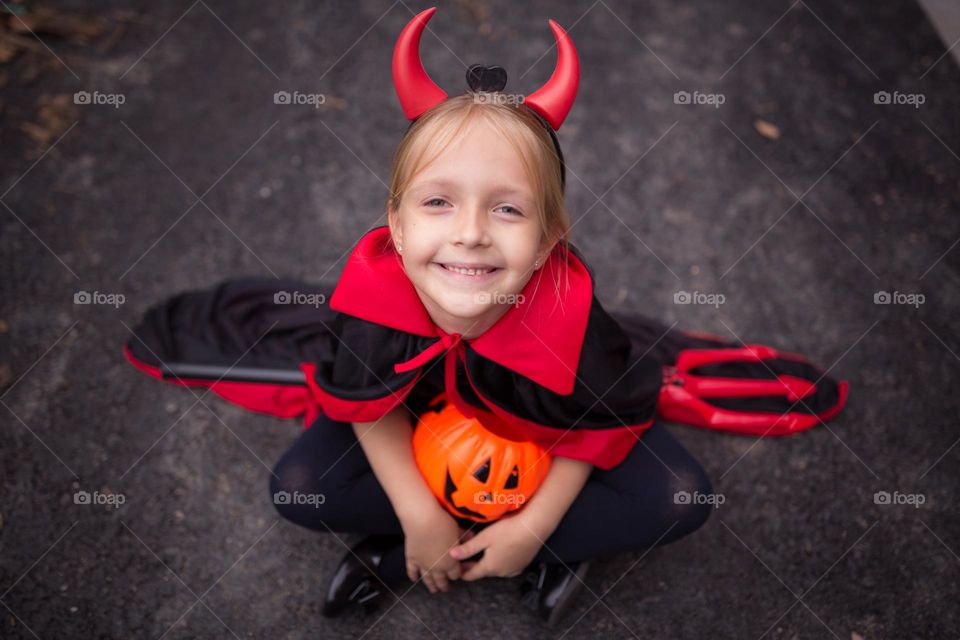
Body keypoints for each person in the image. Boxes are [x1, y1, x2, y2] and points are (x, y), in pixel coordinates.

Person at [122, 7, 847, 629]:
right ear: (395, 228)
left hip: (536, 454)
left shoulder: (570, 314)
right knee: (300, 487)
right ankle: (413, 543)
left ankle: (533, 549)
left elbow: (602, 424)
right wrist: (419, 514)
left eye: (506, 208)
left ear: (549, 243)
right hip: (419, 439)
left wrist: (532, 527)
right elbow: (366, 407)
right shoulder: (373, 295)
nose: (470, 232)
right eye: (438, 202)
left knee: (682, 496)